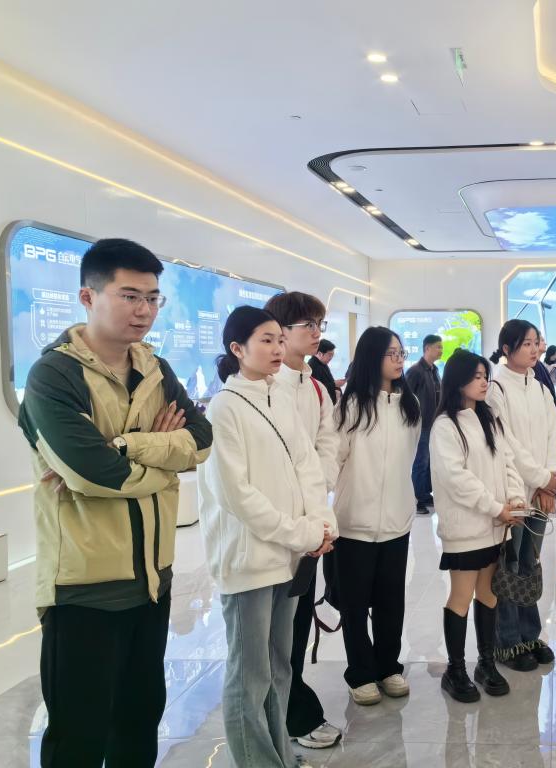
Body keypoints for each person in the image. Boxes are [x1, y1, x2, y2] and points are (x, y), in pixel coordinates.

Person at [17, 238, 213, 767]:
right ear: (88, 296)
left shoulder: (155, 368)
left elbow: (201, 441)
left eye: (152, 298)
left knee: (139, 719)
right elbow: (92, 473)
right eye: (129, 296)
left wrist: (127, 445)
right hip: (84, 589)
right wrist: (162, 459)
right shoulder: (53, 375)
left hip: (152, 580)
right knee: (78, 735)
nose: (144, 310)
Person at [199, 306, 336, 768]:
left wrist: (321, 523)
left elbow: (307, 466)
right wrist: (300, 532)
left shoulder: (279, 395)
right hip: (250, 560)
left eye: (280, 339)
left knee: (280, 668)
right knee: (249, 675)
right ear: (237, 349)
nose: (278, 349)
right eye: (266, 340)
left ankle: (279, 754)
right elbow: (237, 495)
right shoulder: (225, 407)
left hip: (289, 556)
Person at [325, 326, 421, 705]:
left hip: (397, 521)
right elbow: (333, 460)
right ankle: (360, 673)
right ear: (371, 357)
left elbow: (409, 459)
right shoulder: (349, 407)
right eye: (390, 353)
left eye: (401, 353)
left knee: (390, 601)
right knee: (354, 604)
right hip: (353, 524)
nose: (398, 360)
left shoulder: (410, 406)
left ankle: (388, 667)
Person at [263, 292, 342, 750]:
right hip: (277, 525)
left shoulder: (315, 385)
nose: (316, 333)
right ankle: (285, 717)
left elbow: (326, 446)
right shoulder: (263, 385)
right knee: (272, 633)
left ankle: (290, 710)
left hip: (310, 520)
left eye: (319, 324)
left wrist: (317, 503)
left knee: (295, 623)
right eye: (307, 325)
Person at [431, 350, 526, 702]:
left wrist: (515, 499)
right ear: (458, 381)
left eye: (485, 375)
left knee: (489, 594)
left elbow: (508, 463)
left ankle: (486, 663)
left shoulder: (490, 420)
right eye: (476, 377)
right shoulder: (446, 426)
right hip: (466, 528)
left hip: (496, 527)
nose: (484, 382)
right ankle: (455, 670)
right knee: (461, 597)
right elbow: (456, 479)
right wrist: (496, 507)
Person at [487, 320, 556, 671]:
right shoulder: (497, 388)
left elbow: (553, 435)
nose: (535, 349)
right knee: (510, 564)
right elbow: (507, 444)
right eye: (526, 344)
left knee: (530, 563)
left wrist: (550, 480)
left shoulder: (540, 387)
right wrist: (541, 479)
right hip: (513, 491)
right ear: (507, 349)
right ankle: (508, 641)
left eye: (536, 342)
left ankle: (530, 635)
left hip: (540, 490)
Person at [406, 334, 443, 514]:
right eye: (438, 347)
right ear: (427, 348)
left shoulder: (434, 370)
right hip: (421, 425)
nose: (441, 350)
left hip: (433, 423)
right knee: (420, 462)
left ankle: (425, 494)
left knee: (429, 462)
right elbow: (405, 397)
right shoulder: (415, 371)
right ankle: (416, 499)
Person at [308, 338, 339, 404]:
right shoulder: (312, 366)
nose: (331, 358)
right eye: (330, 355)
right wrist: (334, 384)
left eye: (332, 355)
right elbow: (316, 388)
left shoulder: (323, 363)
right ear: (320, 354)